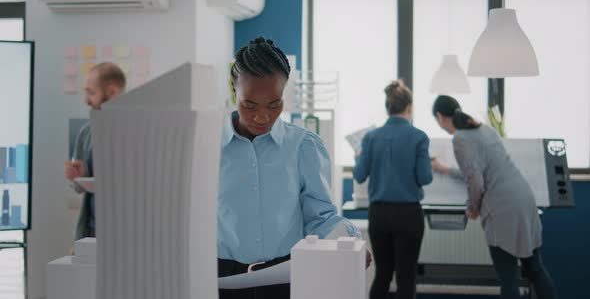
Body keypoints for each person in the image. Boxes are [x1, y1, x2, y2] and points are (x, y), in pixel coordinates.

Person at [218, 37, 365, 299]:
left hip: (284, 279)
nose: (262, 116)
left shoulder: (303, 146)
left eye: (274, 105)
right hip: (222, 281)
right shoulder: (207, 148)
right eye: (249, 105)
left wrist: (350, 240)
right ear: (233, 90)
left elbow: (320, 216)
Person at [430, 95, 557, 299]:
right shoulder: (485, 129)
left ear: (439, 116)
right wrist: (445, 170)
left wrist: (473, 208)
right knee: (534, 269)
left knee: (507, 276)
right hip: (523, 198)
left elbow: (477, 181)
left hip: (502, 207)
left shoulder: (460, 138)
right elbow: (480, 171)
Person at [353, 80, 432, 299]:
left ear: (387, 107)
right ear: (409, 107)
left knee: (383, 274)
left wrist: (358, 157)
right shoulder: (419, 137)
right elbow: (424, 178)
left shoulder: (370, 138)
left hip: (379, 215)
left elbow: (359, 175)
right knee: (406, 277)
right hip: (408, 215)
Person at [64, 62, 126, 240]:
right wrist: (77, 177)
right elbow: (78, 187)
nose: (86, 100)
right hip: (93, 230)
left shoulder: (136, 130)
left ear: (112, 93)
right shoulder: (85, 132)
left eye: (91, 92)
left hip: (126, 229)